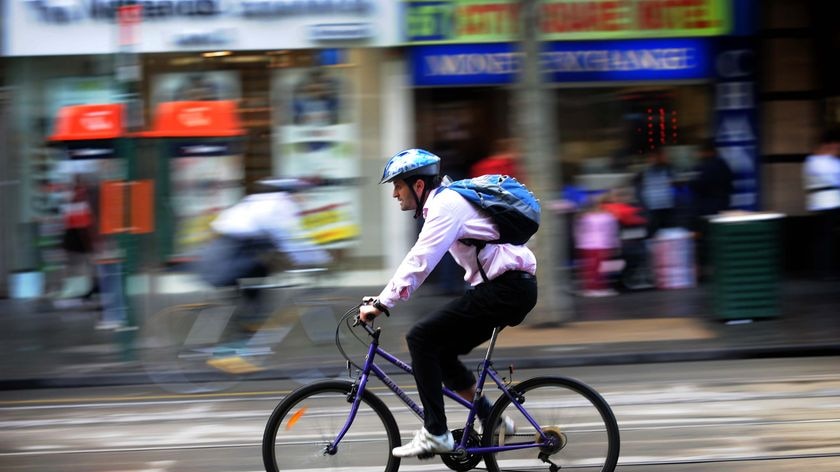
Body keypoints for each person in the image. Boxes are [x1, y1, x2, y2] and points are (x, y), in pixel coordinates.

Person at [358, 149, 537, 458]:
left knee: (420, 338)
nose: (393, 194)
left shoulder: (446, 205)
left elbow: (421, 260)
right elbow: (421, 260)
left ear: (417, 186)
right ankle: (493, 419)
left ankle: (436, 432)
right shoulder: (446, 204)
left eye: (397, 185)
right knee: (440, 353)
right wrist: (382, 298)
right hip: (504, 289)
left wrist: (383, 303)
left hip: (505, 290)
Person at [193, 181, 332, 325]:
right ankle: (249, 332)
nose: (304, 198)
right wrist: (320, 260)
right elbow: (292, 239)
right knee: (257, 289)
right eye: (301, 194)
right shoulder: (280, 205)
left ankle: (248, 331)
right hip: (233, 257)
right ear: (291, 193)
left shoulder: (258, 201)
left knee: (255, 292)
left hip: (223, 254)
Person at [802, 127, 840, 280]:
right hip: (825, 203)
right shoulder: (816, 162)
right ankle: (823, 270)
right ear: (828, 146)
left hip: (829, 203)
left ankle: (826, 268)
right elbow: (832, 180)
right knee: (825, 239)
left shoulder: (825, 161)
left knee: (827, 238)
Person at [574, 195, 621, 297]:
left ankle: (597, 288)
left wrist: (579, 243)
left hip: (592, 244)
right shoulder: (606, 217)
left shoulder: (586, 217)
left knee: (596, 268)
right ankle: (594, 288)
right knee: (596, 268)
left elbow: (579, 231)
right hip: (598, 244)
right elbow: (612, 231)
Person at [634, 148, 676, 238]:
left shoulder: (666, 168)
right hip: (654, 207)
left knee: (664, 232)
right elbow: (637, 186)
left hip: (664, 206)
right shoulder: (646, 171)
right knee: (656, 232)